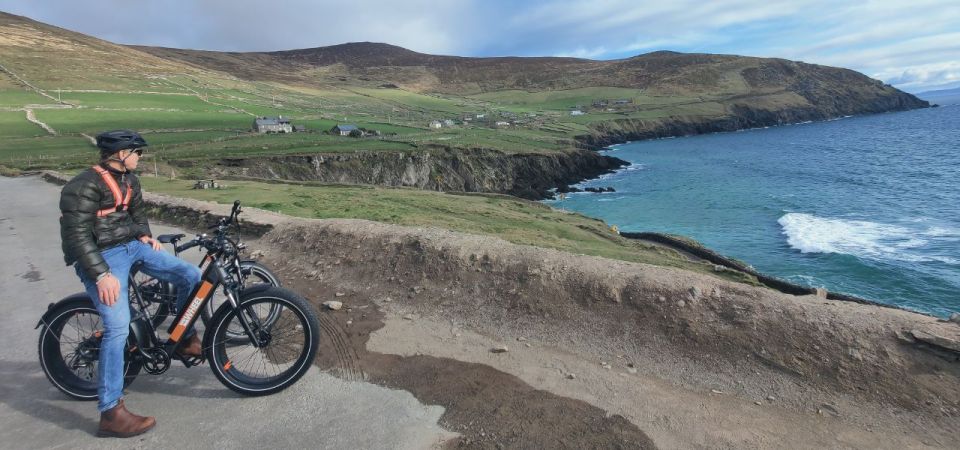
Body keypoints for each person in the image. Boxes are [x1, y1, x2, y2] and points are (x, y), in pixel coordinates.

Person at [58, 130, 202, 438]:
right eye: (137, 152)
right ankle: (110, 413)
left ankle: (184, 339)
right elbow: (76, 236)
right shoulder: (83, 185)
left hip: (131, 246)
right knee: (118, 326)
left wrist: (144, 236)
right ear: (120, 153)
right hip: (101, 258)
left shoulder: (130, 181)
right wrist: (100, 274)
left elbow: (137, 215)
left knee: (191, 276)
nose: (141, 157)